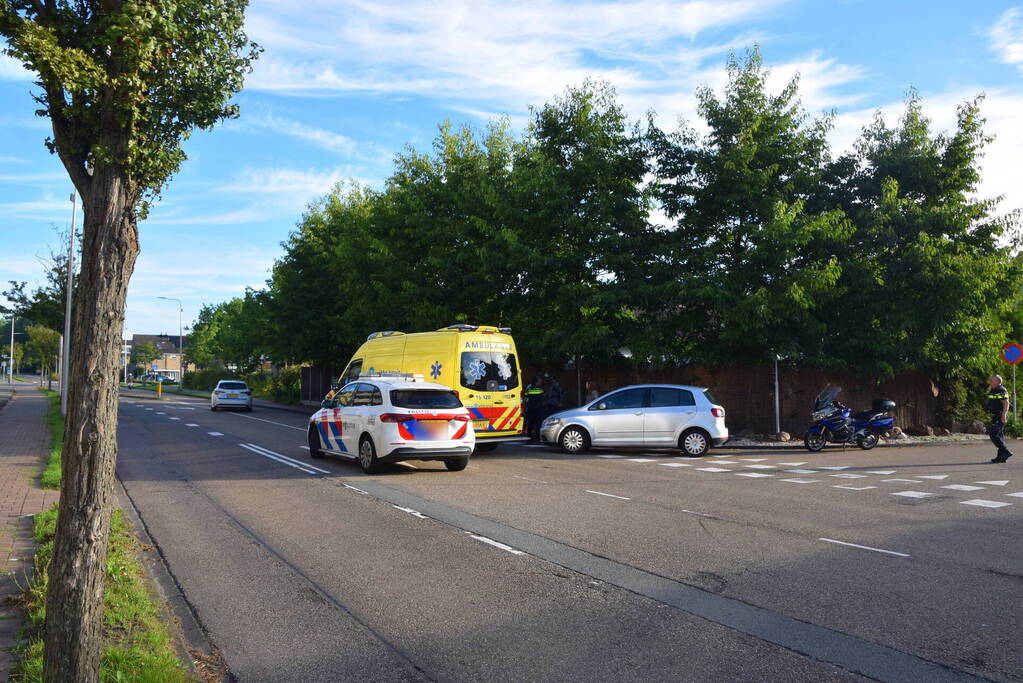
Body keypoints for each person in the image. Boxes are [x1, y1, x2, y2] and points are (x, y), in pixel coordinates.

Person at [985, 374, 1014, 463]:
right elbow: (989, 397)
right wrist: (990, 389)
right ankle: (1001, 457)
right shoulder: (994, 390)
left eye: (992, 380)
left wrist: (1004, 415)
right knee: (999, 436)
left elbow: (1006, 403)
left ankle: (1006, 452)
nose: (990, 382)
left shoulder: (1001, 390)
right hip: (995, 415)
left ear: (997, 382)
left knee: (994, 435)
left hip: (1000, 415)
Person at [524, 376, 545, 442]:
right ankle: (538, 438)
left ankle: (529, 438)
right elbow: (543, 398)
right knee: (538, 424)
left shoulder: (529, 389)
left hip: (530, 408)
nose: (540, 382)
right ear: (536, 382)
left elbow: (526, 396)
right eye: (539, 381)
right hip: (538, 409)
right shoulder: (540, 389)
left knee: (530, 423)